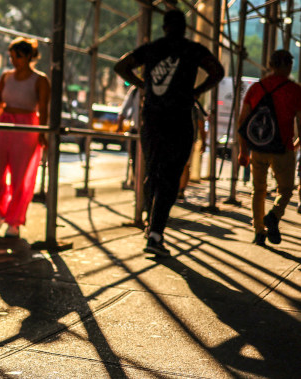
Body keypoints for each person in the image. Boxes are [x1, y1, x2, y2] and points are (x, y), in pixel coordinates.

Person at [114, 9, 224, 257]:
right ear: (184, 28)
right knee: (171, 175)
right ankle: (155, 233)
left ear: (164, 27)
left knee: (153, 170)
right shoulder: (194, 50)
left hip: (152, 117)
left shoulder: (151, 49)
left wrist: (145, 87)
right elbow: (218, 72)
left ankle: (148, 222)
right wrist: (196, 91)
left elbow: (121, 66)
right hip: (179, 117)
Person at [0, 37, 50, 238]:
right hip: (4, 122)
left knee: (20, 178)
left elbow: (44, 109)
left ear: (29, 56)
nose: (13, 61)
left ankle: (14, 221)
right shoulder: (6, 76)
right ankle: (3, 211)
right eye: (11, 57)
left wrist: (43, 133)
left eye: (17, 57)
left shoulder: (40, 80)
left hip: (27, 126)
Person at [238, 50, 301, 246]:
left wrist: (243, 150)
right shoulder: (295, 90)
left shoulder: (257, 88)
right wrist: (297, 144)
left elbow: (243, 121)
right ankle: (273, 215)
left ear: (271, 64)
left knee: (258, 190)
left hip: (259, 147)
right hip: (283, 148)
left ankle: (259, 231)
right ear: (288, 65)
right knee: (287, 190)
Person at [178, 104, 207, 200]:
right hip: (188, 140)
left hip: (185, 140)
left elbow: (201, 126)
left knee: (184, 166)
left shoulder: (195, 109)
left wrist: (203, 141)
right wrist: (203, 141)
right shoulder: (195, 109)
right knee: (186, 166)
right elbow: (201, 127)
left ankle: (180, 190)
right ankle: (180, 190)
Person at [117, 86, 141, 188]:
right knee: (135, 160)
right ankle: (137, 186)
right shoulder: (135, 91)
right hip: (136, 130)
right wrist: (119, 126)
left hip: (152, 132)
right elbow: (124, 110)